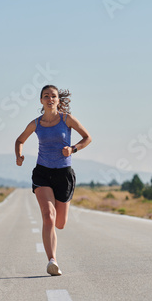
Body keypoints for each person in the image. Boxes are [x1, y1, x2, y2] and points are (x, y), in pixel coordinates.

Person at [15, 85, 92, 276]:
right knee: (48, 216)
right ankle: (52, 261)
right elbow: (20, 140)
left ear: (58, 100)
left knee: (60, 223)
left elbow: (87, 138)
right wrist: (19, 156)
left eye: (53, 96)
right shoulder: (36, 123)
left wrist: (73, 149)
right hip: (42, 172)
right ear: (41, 101)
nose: (50, 99)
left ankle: (52, 256)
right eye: (46, 96)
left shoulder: (67, 119)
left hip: (63, 174)